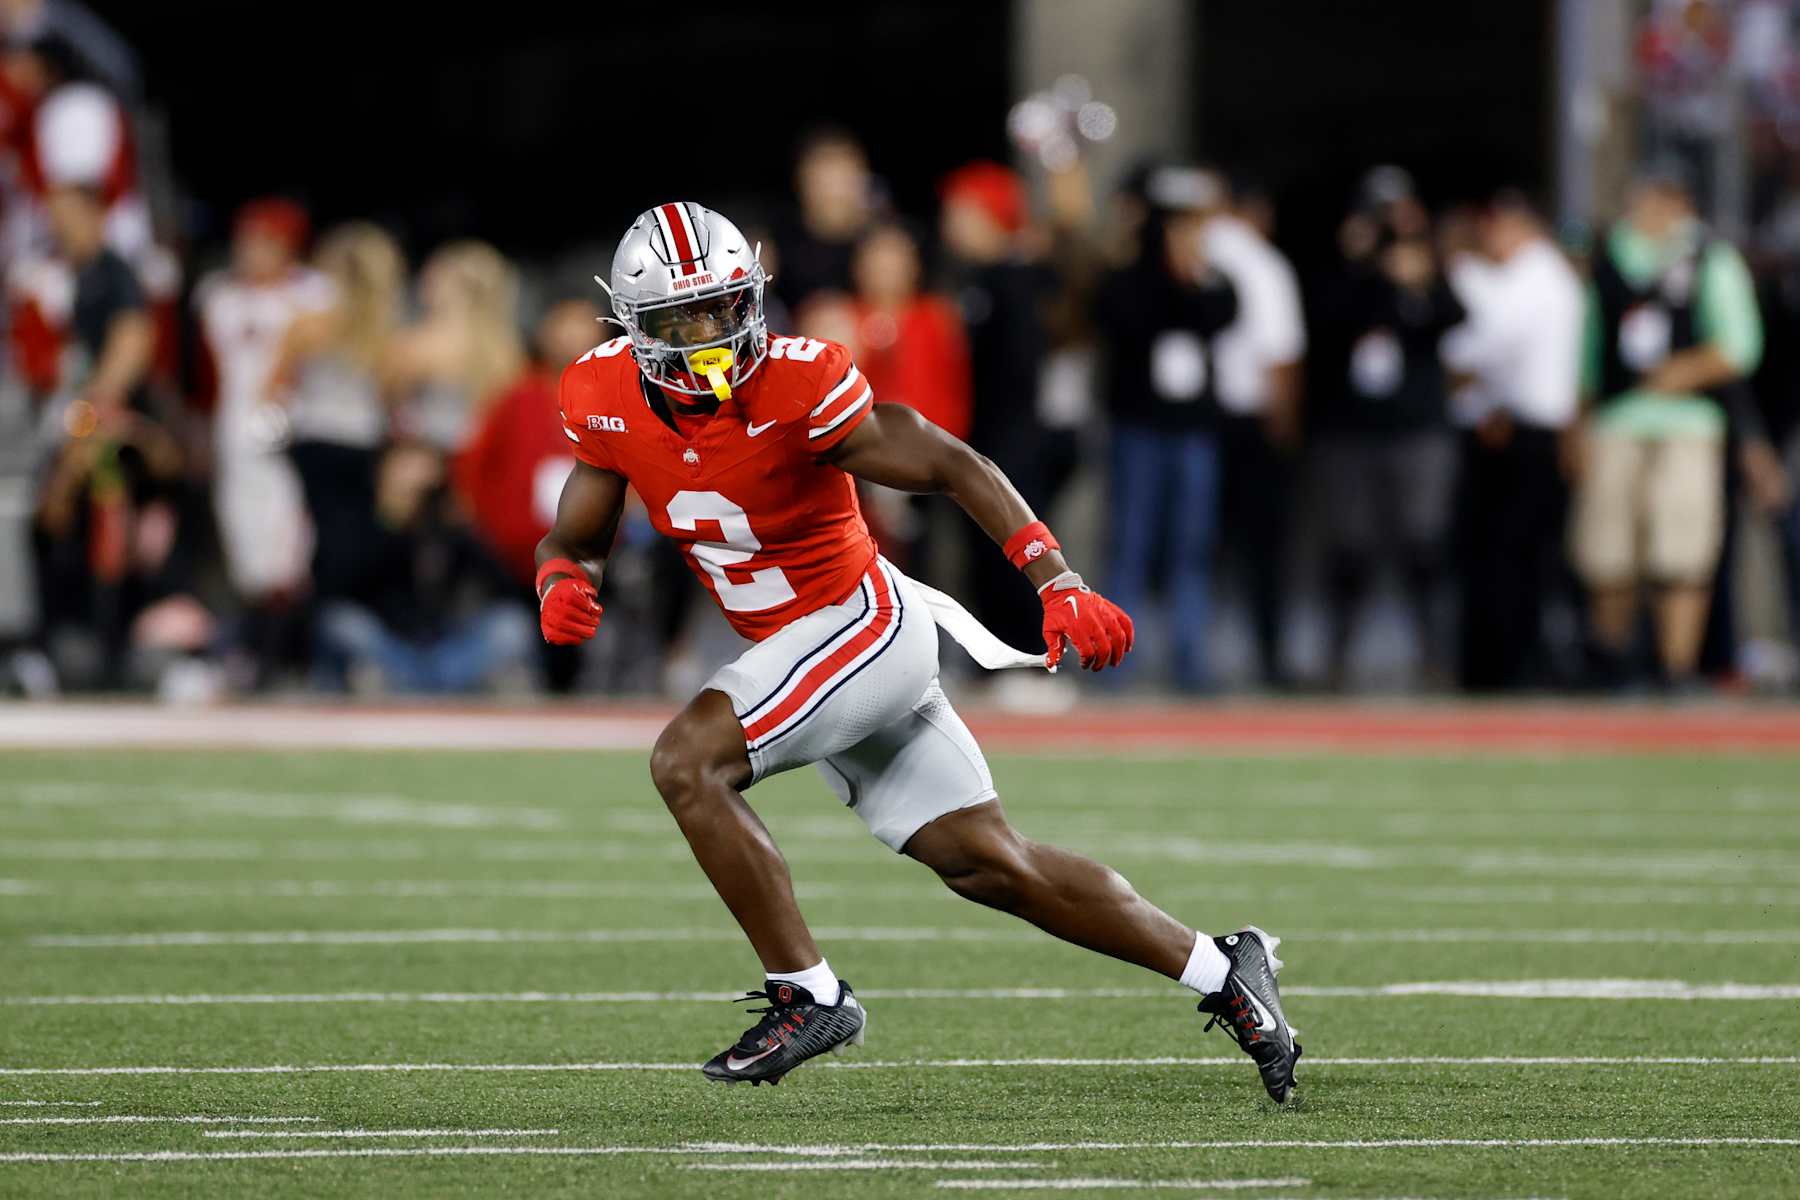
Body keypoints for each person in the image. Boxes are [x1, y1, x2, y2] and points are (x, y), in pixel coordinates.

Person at [535, 202, 1299, 1102]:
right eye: (683, 320)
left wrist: (1056, 580)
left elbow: (948, 460)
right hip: (804, 656)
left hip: (861, 625)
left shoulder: (798, 379)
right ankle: (1224, 968)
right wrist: (561, 578)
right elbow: (577, 535)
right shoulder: (603, 397)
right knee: (987, 862)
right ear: (635, 328)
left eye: (724, 309)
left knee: (686, 763)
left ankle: (808, 994)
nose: (709, 338)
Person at [1569, 162, 1764, 690]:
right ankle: (1613, 665)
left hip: (1687, 422)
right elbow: (1587, 351)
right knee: (1608, 552)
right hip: (1616, 420)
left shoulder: (1710, 257)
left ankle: (1675, 668)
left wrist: (1683, 371)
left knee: (1680, 552)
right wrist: (1578, 424)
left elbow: (1741, 347)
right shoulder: (1611, 257)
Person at [1313, 185, 1466, 689]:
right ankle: (1337, 659)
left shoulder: (1422, 271)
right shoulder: (1343, 276)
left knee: (1424, 544)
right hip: (1351, 432)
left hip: (1416, 428)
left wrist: (1418, 276)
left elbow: (1454, 316)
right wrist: (1361, 264)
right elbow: (1327, 320)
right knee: (1349, 547)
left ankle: (1434, 657)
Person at [1093, 166, 1239, 691]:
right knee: (1131, 544)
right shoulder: (1129, 278)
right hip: (1139, 430)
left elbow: (1223, 312)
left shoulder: (1211, 278)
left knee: (1192, 546)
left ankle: (1190, 662)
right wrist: (1166, 274)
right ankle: (1116, 663)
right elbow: (1123, 316)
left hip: (1192, 430)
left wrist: (1190, 276)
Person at [1443, 191, 1585, 690]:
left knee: (1511, 558)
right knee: (1506, 557)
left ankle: (1509, 668)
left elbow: (1488, 346)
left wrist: (1480, 398)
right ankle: (1501, 665)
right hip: (1516, 427)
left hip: (1522, 431)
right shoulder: (1525, 277)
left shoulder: (1536, 275)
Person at [194, 198, 332, 687]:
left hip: (290, 436)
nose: (249, 251)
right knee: (246, 552)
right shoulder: (219, 296)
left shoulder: (314, 294)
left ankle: (291, 661)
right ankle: (254, 656)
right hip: (235, 437)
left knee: (289, 551)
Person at [1204, 170, 1306, 688]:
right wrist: (1284, 431)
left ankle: (1194, 662)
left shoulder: (1195, 250)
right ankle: (1267, 658)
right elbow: (1281, 356)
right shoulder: (1262, 263)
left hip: (1199, 419)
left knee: (1200, 547)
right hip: (1250, 419)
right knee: (1262, 550)